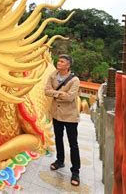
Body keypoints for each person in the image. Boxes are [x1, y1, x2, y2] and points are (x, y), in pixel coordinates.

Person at [44, 54, 81, 186]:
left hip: (70, 116)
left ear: (68, 65)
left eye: (62, 62)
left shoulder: (74, 80)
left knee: (73, 144)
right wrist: (60, 94)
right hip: (56, 114)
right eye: (58, 61)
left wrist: (55, 93)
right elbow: (46, 91)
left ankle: (75, 171)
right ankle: (60, 161)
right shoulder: (53, 75)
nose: (58, 63)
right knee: (58, 139)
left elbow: (70, 98)